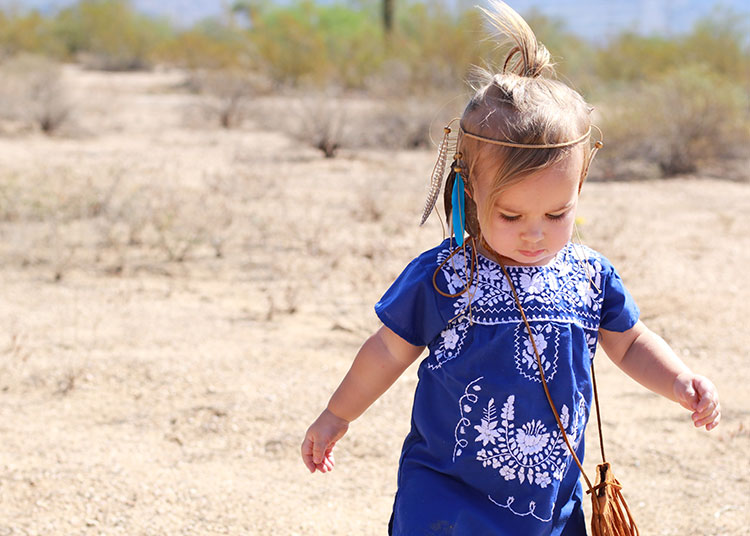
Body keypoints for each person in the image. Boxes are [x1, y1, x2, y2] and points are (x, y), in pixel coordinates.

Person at [300, 2, 721, 534]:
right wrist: (338, 413)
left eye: (557, 213)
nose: (534, 232)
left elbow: (631, 342)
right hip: (446, 496)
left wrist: (680, 380)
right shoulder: (445, 275)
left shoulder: (590, 275)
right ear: (472, 191)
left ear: (580, 188)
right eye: (511, 214)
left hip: (548, 501)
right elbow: (387, 349)